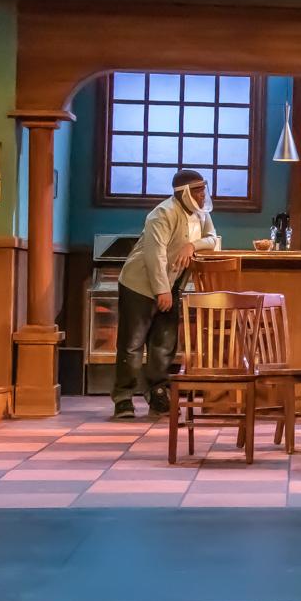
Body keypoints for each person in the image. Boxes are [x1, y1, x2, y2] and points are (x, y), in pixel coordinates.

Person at [113, 170, 218, 420]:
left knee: (164, 345)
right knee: (132, 344)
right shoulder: (162, 213)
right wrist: (162, 291)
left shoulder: (201, 214)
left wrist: (192, 245)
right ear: (184, 193)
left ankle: (158, 394)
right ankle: (123, 398)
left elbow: (212, 239)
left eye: (204, 190)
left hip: (172, 284)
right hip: (139, 284)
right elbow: (155, 255)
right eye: (198, 190)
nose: (203, 195)